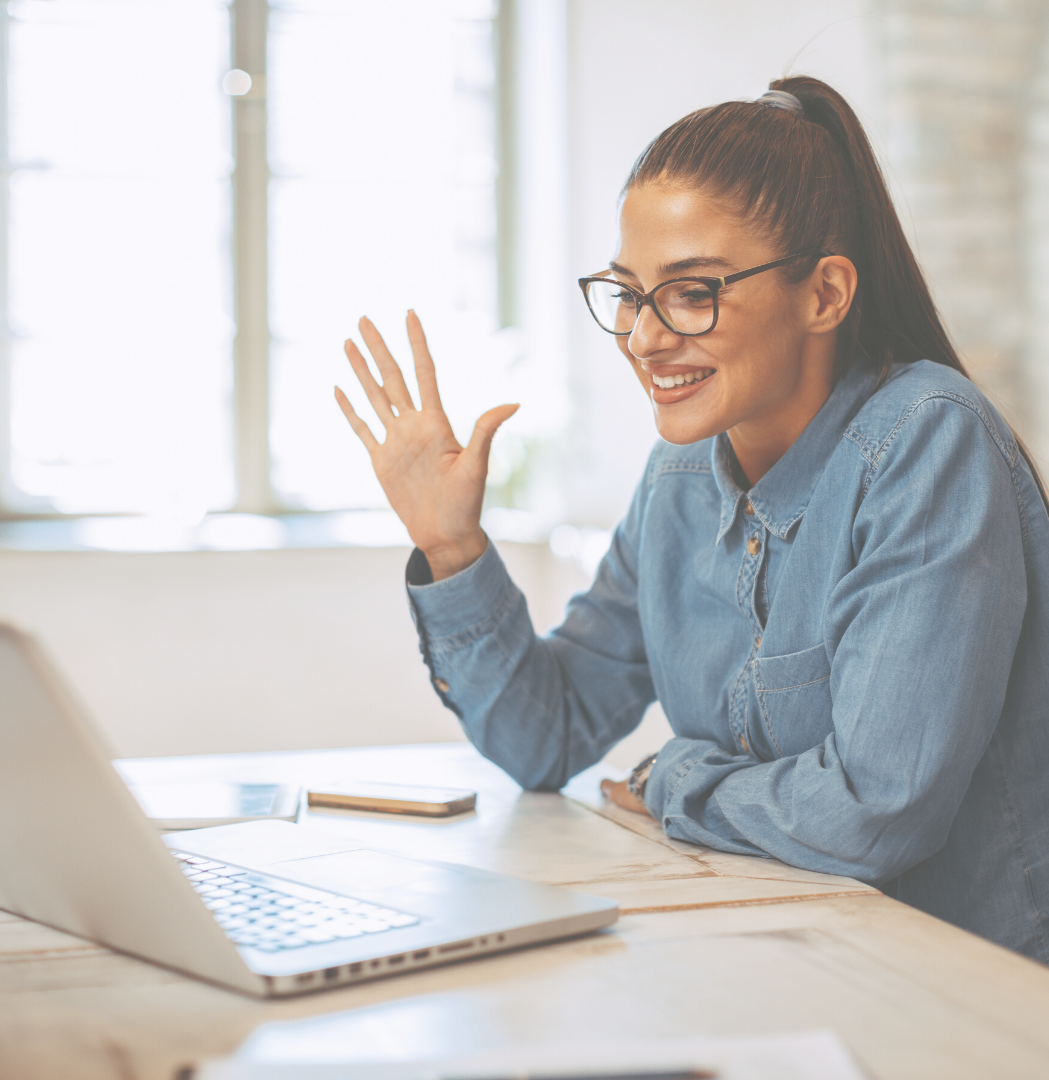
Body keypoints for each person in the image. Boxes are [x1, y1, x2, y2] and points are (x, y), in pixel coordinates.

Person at [334, 76, 1049, 964]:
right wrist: (451, 548)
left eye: (693, 292)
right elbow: (545, 734)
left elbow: (877, 811)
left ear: (825, 294)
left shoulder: (925, 442)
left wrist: (676, 775)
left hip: (963, 995)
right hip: (786, 959)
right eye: (630, 294)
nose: (643, 337)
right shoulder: (680, 476)